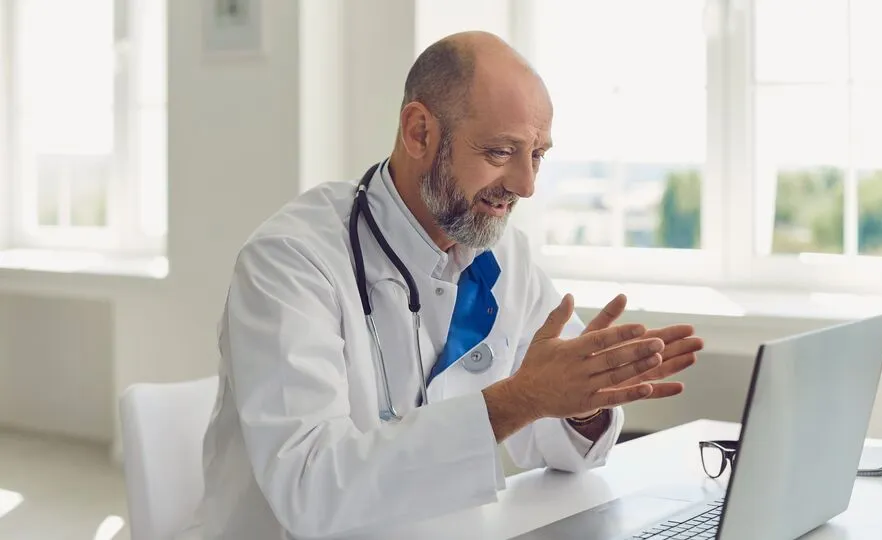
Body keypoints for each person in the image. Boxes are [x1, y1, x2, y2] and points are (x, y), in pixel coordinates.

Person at [188, 31, 704, 540]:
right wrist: (518, 400)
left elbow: (563, 452)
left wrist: (583, 401)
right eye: (501, 152)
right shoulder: (291, 261)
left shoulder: (507, 255)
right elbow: (309, 489)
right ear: (419, 132)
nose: (526, 184)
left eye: (538, 155)